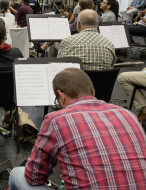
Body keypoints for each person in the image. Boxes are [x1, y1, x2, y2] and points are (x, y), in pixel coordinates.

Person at [9, 68, 146, 190]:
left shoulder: (56, 120)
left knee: (17, 174)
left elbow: (34, 177)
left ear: (61, 96)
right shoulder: (129, 115)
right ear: (92, 92)